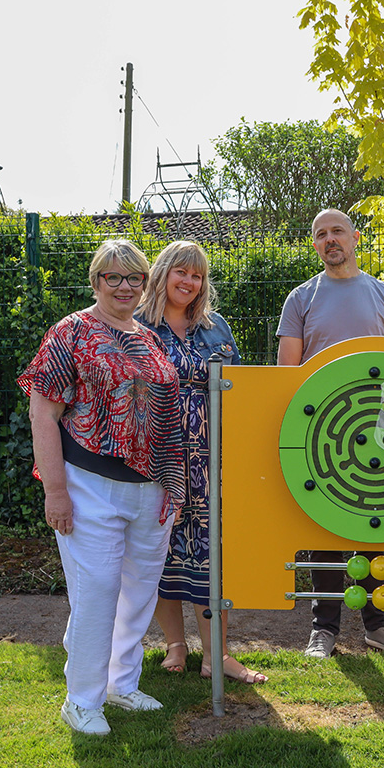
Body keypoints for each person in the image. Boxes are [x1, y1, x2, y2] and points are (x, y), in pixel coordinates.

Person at [18, 239, 187, 736]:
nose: (124, 286)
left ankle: (121, 684)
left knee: (138, 593)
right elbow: (43, 414)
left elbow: (168, 419)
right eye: (113, 276)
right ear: (96, 281)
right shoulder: (70, 332)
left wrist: (174, 486)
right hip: (89, 485)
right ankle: (82, 700)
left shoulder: (149, 339)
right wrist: (55, 492)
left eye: (134, 277)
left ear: (145, 284)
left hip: (151, 490)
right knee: (96, 592)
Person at [277, 208, 384, 659]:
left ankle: (380, 625)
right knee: (324, 525)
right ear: (315, 245)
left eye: (337, 231)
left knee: (377, 521)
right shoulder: (300, 298)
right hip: (321, 430)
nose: (330, 239)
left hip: (377, 429)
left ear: (355, 238)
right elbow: (288, 373)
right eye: (321, 234)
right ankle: (323, 630)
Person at [135, 241, 266, 684]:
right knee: (160, 548)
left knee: (213, 553)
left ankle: (217, 655)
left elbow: (239, 388)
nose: (189, 282)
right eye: (182, 272)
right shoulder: (136, 326)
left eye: (197, 276)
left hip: (212, 458)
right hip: (158, 457)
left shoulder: (216, 327)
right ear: (163, 273)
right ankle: (175, 644)